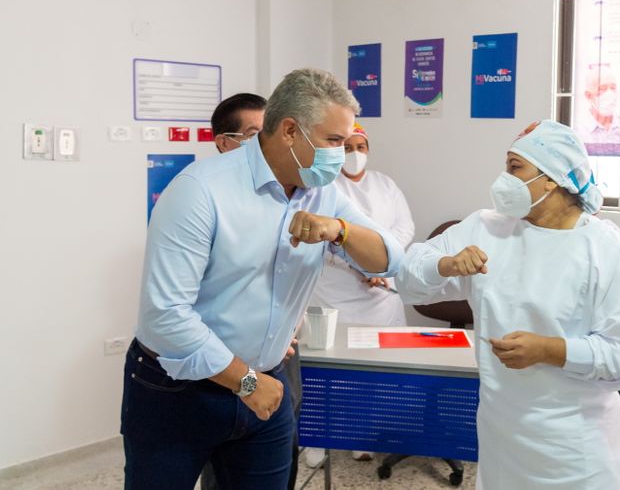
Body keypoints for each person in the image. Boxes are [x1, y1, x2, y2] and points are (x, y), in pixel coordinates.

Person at [121, 68, 404, 490]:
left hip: (268, 388)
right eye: (333, 141)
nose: (341, 155)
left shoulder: (319, 191)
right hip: (179, 391)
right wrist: (247, 381)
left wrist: (339, 230)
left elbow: (388, 258)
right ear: (290, 131)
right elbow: (165, 317)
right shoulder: (201, 190)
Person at [396, 120, 620, 489]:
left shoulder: (603, 248)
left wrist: (549, 350)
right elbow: (407, 281)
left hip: (577, 450)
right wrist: (444, 264)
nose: (503, 179)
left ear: (551, 178)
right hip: (503, 439)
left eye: (514, 167)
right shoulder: (488, 229)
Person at [200, 92, 303, 490]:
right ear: (225, 142)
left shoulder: (291, 194)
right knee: (225, 464)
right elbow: (177, 310)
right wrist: (244, 379)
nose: (267, 146)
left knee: (277, 459)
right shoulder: (203, 197)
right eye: (254, 134)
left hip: (279, 358)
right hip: (222, 362)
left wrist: (286, 326)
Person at [304, 122, 415, 466]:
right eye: (346, 147)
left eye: (360, 147)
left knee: (372, 374)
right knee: (326, 373)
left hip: (381, 296)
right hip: (335, 293)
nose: (354, 154)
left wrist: (380, 266)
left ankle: (361, 436)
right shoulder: (322, 187)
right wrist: (363, 266)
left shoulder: (385, 185)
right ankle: (315, 440)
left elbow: (404, 228)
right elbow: (321, 238)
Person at [578, 63, 620, 156]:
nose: (609, 94)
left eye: (613, 88)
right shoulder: (579, 131)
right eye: (602, 88)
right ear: (588, 95)